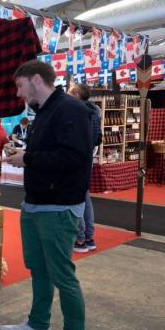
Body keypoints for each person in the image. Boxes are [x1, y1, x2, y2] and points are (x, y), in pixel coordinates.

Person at [0, 61, 93, 330]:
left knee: (62, 273)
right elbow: (50, 152)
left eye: (20, 85)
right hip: (37, 201)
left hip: (59, 203)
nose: (18, 93)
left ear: (36, 79)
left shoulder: (71, 110)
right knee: (39, 268)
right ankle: (38, 326)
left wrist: (29, 158)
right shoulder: (44, 111)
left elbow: (74, 157)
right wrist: (24, 154)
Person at [68, 83, 102, 253]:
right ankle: (89, 237)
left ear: (76, 95)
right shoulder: (95, 111)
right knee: (85, 197)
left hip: (77, 160)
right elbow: (98, 138)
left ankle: (80, 239)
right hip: (87, 158)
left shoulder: (77, 112)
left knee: (77, 198)